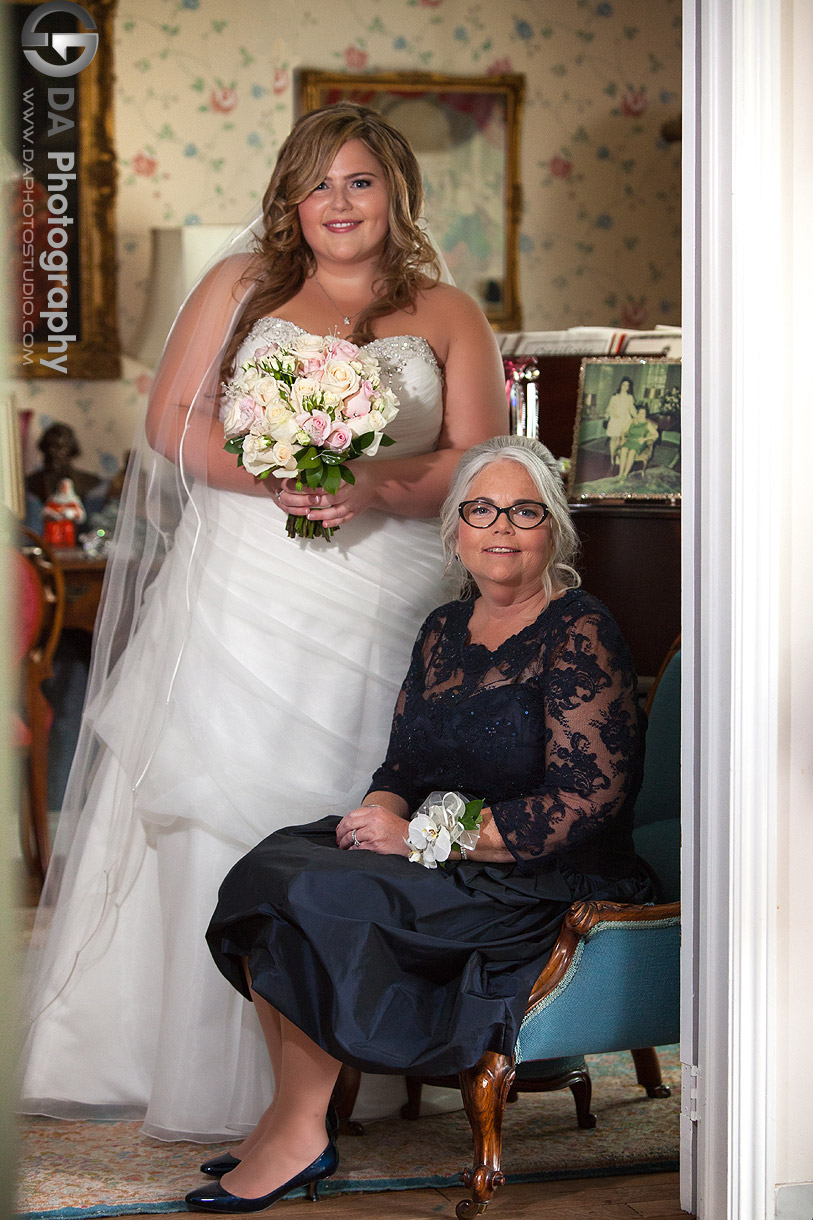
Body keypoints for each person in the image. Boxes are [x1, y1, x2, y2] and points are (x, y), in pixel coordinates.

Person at [19, 102, 508, 1142]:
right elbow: (171, 422)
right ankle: (183, 1061)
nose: (339, 200)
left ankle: (356, 1061)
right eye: (320, 181)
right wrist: (280, 475)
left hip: (384, 595)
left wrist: (372, 485)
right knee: (217, 800)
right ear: (292, 195)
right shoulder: (243, 287)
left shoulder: (450, 312)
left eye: (361, 181)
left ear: (397, 194)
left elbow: (478, 465)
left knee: (350, 806)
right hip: (244, 583)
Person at [184, 434, 658, 1213]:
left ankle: (301, 1134)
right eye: (480, 508)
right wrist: (380, 812)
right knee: (274, 867)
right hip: (445, 856)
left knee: (319, 898)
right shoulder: (443, 628)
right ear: (455, 529)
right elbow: (401, 766)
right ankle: (286, 1115)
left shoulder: (581, 631)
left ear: (553, 531)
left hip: (538, 878)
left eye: (523, 511)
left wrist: (419, 839)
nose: (500, 526)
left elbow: (583, 802)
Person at [617, 406, 660, 480]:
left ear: (646, 414)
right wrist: (623, 438)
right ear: (637, 413)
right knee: (623, 449)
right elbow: (623, 431)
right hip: (629, 440)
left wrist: (645, 438)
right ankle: (620, 473)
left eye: (643, 413)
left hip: (639, 442)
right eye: (640, 413)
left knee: (632, 451)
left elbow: (656, 435)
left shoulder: (647, 424)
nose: (641, 415)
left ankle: (625, 474)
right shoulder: (632, 421)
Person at [603, 376, 638, 467]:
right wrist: (613, 413)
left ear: (629, 387)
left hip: (624, 420)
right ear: (621, 385)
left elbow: (631, 408)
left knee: (620, 439)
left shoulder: (630, 397)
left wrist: (636, 416)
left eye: (627, 385)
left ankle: (618, 456)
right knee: (613, 438)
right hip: (615, 419)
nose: (625, 387)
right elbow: (610, 407)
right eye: (624, 385)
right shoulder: (615, 397)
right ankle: (612, 456)